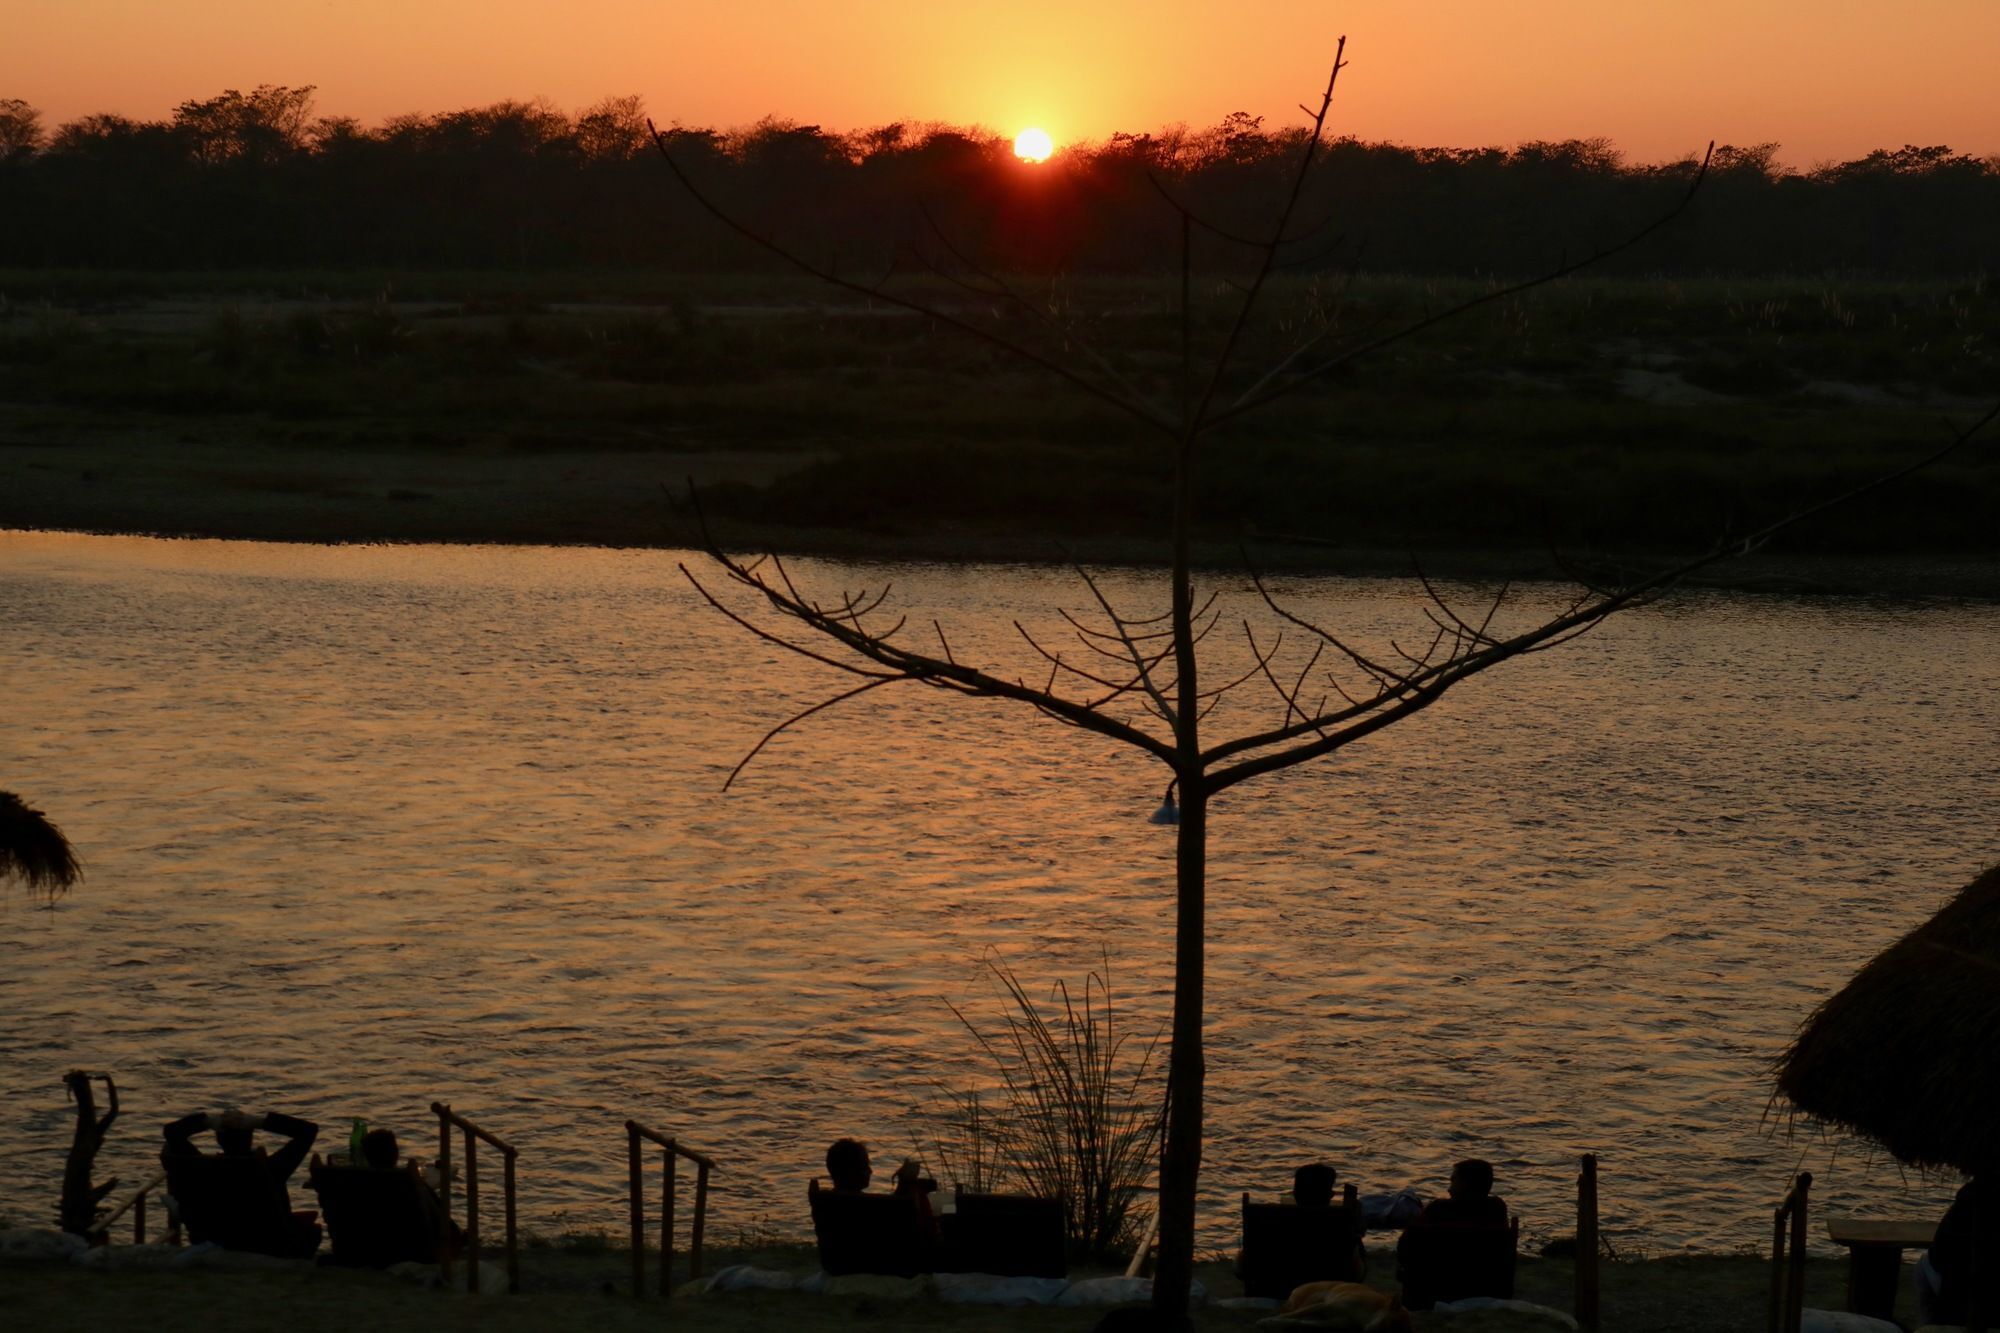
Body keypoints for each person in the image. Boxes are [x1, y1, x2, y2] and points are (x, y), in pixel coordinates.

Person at [161, 1106, 322, 1256]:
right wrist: (259, 1121)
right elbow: (308, 1130)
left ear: (218, 1139)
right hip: (269, 1244)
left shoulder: (200, 1167)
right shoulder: (271, 1168)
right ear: (251, 1138)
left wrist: (209, 1121)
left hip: (214, 1238)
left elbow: (171, 1132)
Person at [1918, 1177, 1997, 1326]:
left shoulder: (1972, 1196)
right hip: (1967, 1276)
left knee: (1923, 1265)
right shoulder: (1974, 1199)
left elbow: (1943, 1249)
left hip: (1959, 1279)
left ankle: (1931, 1324)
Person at [1413, 1159, 1508, 1228]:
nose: (1449, 1190)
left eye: (1454, 1182)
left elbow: (1405, 1246)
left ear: (1465, 1184)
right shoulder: (1496, 1208)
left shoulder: (1438, 1209)